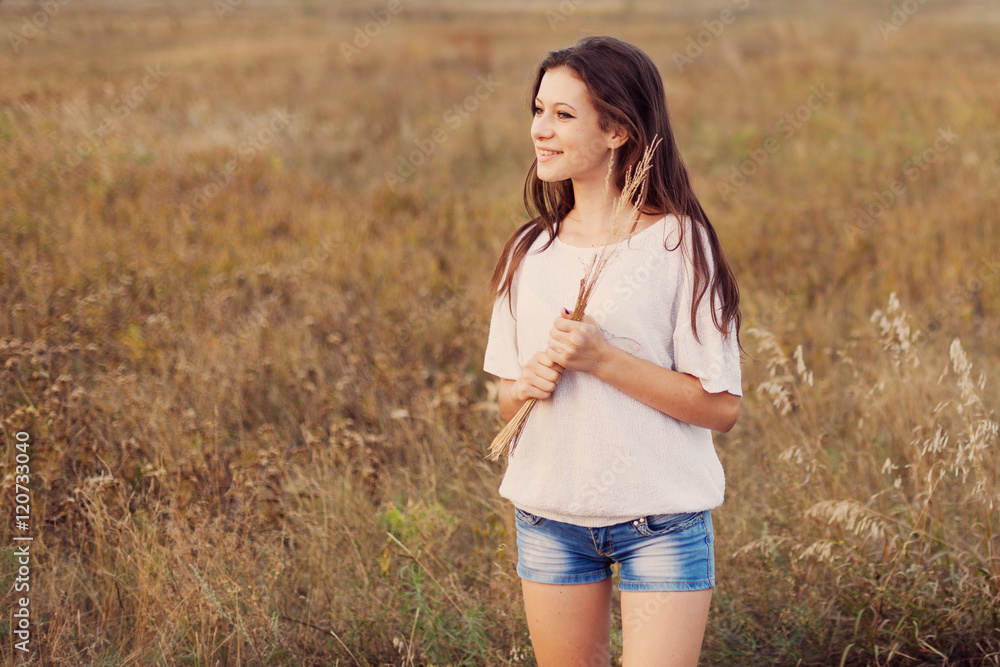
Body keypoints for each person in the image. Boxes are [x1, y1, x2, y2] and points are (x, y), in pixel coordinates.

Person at [482, 36, 743, 666]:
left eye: (564, 115)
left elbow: (720, 407)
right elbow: (500, 399)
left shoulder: (680, 244)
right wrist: (526, 385)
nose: (541, 130)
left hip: (661, 520)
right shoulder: (530, 251)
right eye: (538, 110)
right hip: (550, 518)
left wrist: (604, 361)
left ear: (619, 130)